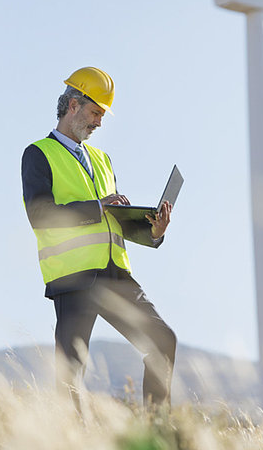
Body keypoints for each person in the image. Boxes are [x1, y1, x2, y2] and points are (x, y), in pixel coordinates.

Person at [21, 66, 176, 410]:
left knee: (162, 340)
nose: (99, 122)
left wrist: (153, 232)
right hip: (74, 278)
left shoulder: (103, 160)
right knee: (70, 372)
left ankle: (154, 432)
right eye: (95, 113)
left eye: (102, 115)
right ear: (73, 106)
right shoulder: (38, 154)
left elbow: (114, 219)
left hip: (115, 273)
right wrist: (96, 206)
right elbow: (40, 214)